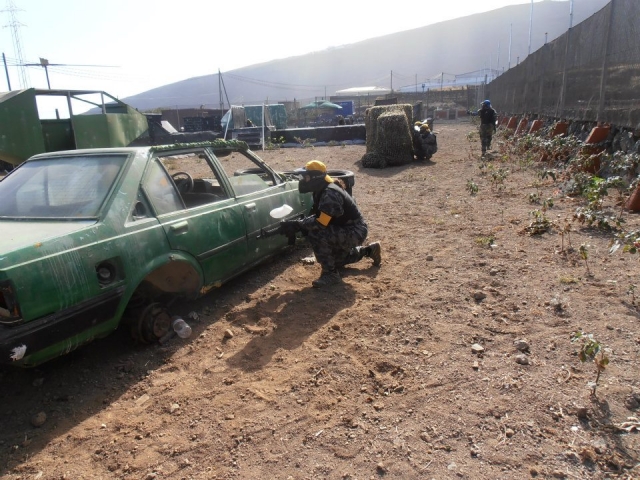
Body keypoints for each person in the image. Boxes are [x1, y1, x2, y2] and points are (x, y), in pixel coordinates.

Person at [280, 160, 381, 287]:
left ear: (315, 177)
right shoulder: (323, 189)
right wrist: (299, 224)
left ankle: (330, 275)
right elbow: (320, 217)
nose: (304, 181)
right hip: (348, 228)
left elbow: (321, 223)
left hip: (355, 231)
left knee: (316, 233)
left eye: (306, 177)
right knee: (335, 260)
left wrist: (299, 225)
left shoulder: (330, 194)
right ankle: (368, 251)